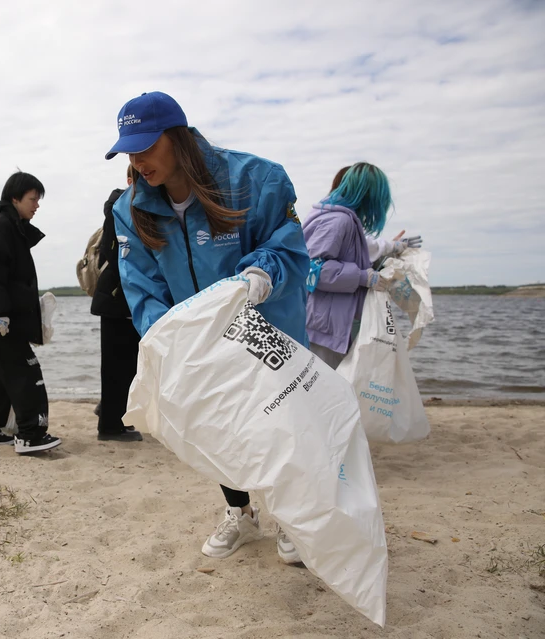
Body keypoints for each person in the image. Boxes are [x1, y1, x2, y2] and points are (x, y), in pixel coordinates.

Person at [105, 91, 309, 564]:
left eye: (146, 147)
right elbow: (142, 286)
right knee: (218, 427)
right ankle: (240, 513)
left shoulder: (256, 178)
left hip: (266, 327)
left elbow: (289, 245)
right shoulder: (130, 208)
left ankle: (289, 517)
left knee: (279, 425)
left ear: (177, 138)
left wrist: (261, 274)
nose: (137, 161)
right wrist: (165, 338)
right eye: (128, 151)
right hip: (198, 340)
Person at [0, 171, 62, 454]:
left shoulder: (13, 226)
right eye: (33, 199)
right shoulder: (0, 227)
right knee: (25, 371)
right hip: (1, 319)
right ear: (15, 198)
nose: (37, 205)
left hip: (3, 316)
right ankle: (30, 434)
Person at [302, 162, 398, 369]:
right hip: (322, 329)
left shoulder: (341, 219)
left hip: (329, 324)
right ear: (369, 196)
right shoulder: (338, 221)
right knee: (324, 392)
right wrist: (364, 278)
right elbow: (312, 269)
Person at [90, 164, 144, 443]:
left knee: (125, 364)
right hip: (118, 297)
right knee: (118, 365)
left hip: (118, 298)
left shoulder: (122, 205)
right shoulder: (121, 206)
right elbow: (119, 252)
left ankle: (110, 413)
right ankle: (110, 426)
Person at [329, 165, 423, 265]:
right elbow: (364, 246)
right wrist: (392, 247)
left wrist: (390, 250)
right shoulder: (341, 220)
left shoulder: (338, 217)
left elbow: (362, 254)